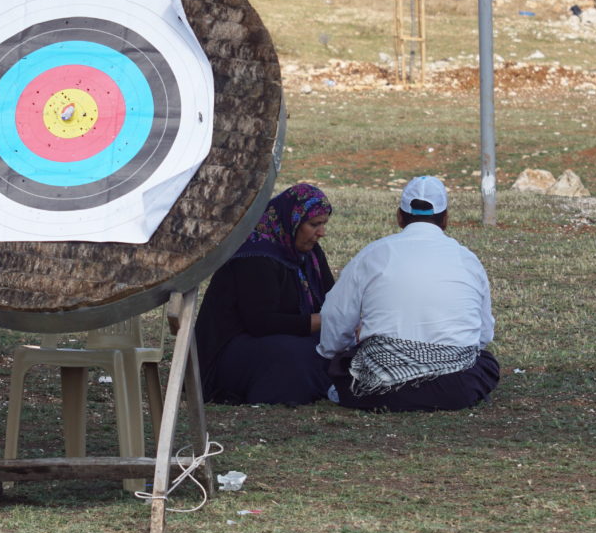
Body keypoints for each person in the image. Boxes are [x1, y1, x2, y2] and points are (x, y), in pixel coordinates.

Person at [318, 175, 499, 412]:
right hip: (454, 389)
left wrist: (331, 356)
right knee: (487, 363)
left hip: (381, 390)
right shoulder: (468, 260)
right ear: (445, 219)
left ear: (400, 216)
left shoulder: (374, 253)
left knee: (348, 364)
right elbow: (482, 336)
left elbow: (336, 317)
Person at [194, 183, 335, 405]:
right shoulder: (256, 255)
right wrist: (320, 322)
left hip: (285, 335)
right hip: (234, 347)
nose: (321, 233)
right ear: (292, 221)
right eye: (314, 224)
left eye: (324, 224)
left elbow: (330, 298)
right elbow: (260, 323)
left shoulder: (310, 254)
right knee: (296, 354)